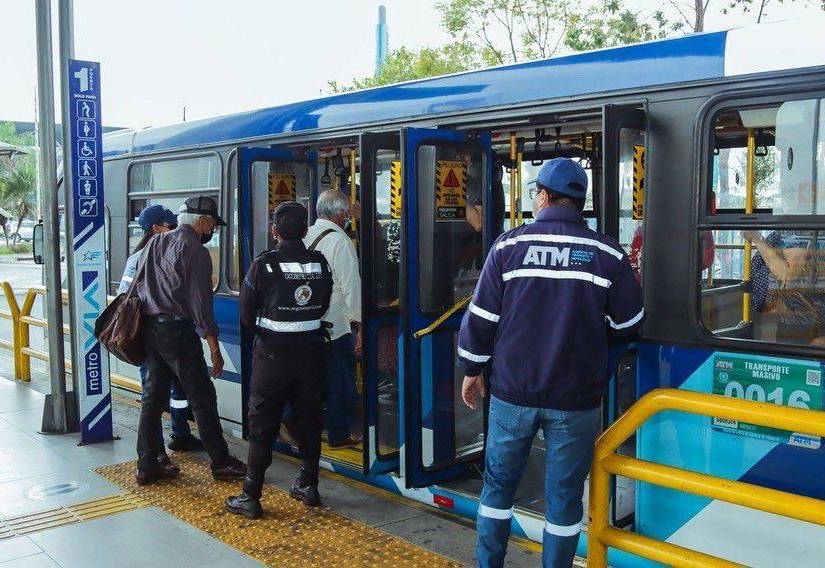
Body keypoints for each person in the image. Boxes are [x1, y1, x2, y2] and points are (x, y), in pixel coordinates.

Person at [458, 158, 644, 568]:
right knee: (563, 499)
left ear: (542, 196)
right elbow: (629, 321)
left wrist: (473, 369)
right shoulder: (606, 253)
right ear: (580, 202)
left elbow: (482, 318)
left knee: (498, 489)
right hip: (575, 397)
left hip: (512, 391)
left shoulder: (508, 247)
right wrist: (596, 350)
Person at [225, 202, 332, 519]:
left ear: (274, 231)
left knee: (263, 425)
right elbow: (323, 305)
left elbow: (246, 315)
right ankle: (308, 486)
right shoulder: (320, 263)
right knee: (310, 420)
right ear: (305, 231)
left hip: (272, 358)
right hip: (311, 354)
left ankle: (251, 496)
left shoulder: (264, 265)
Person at [134, 196, 246, 485]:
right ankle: (220, 462)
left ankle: (147, 464)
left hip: (151, 330)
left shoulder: (155, 243)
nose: (213, 231)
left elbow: (139, 287)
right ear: (202, 221)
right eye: (212, 224)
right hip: (178, 333)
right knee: (202, 397)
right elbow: (200, 304)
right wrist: (214, 347)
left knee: (152, 398)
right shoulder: (195, 250)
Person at [118, 205, 203, 457]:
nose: (176, 230)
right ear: (156, 228)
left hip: (160, 335)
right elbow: (127, 298)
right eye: (170, 225)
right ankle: (156, 453)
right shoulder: (144, 256)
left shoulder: (159, 252)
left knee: (176, 391)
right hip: (152, 336)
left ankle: (180, 435)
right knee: (154, 396)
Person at [303, 190, 362, 448]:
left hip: (310, 324)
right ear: (340, 214)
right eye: (347, 211)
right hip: (337, 326)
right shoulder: (340, 241)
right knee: (341, 382)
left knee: (313, 381)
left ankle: (302, 426)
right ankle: (339, 434)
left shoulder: (306, 235)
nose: (348, 216)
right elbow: (351, 287)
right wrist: (358, 326)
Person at [743, 229, 825, 344]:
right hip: (800, 319)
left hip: (800, 321)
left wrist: (756, 239)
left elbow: (784, 272)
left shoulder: (801, 236)